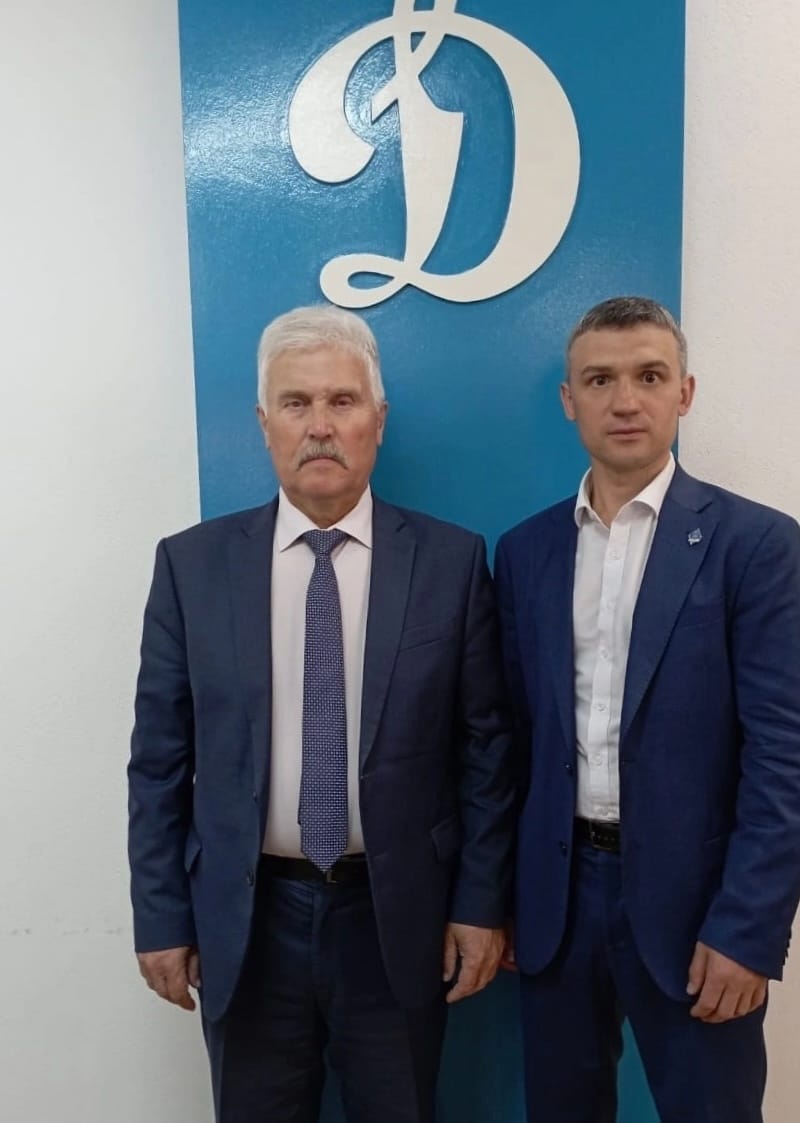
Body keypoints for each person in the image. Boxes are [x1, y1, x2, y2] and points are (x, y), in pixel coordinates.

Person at [128, 304, 512, 1123]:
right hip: (248, 919)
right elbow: (158, 762)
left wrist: (479, 904)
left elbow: (485, 753)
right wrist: (160, 914)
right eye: (296, 403)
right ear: (264, 423)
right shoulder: (192, 566)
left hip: (396, 917)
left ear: (379, 419)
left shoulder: (450, 562)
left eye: (342, 401)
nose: (320, 426)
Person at [494, 296, 800, 1123]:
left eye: (648, 376)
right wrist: (503, 900)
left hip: (698, 907)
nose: (624, 400)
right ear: (568, 400)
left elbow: (785, 757)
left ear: (684, 391)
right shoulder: (526, 551)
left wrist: (748, 928)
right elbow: (512, 739)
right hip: (556, 904)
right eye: (598, 380)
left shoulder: (754, 544)